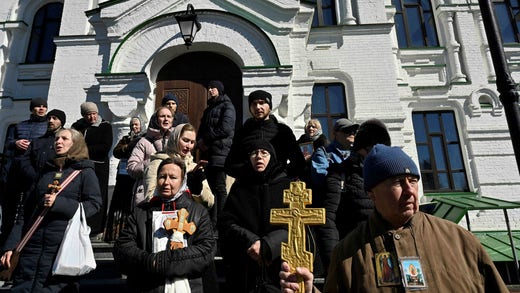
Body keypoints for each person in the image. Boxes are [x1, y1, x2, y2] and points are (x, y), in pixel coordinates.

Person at [280, 144, 509, 293]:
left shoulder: (460, 241)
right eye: (398, 182)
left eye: (413, 181)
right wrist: (308, 290)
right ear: (372, 193)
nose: (410, 190)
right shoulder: (349, 253)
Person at [0, 128, 102, 292]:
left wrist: (60, 204)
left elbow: (94, 204)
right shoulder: (45, 171)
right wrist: (11, 246)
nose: (58, 142)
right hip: (32, 246)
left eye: (64, 139)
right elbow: (25, 211)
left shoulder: (85, 172)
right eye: (56, 139)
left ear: (75, 144)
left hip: (62, 247)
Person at [113, 157, 215, 293]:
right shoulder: (141, 211)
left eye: (173, 177)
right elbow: (122, 248)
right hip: (147, 286)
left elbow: (206, 251)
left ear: (182, 181)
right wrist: (148, 261)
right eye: (162, 177)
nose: (166, 182)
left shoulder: (198, 212)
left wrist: (165, 262)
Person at [218, 139, 290, 293]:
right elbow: (226, 222)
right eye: (254, 153)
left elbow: (296, 224)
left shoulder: (286, 185)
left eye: (264, 153)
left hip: (279, 267)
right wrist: (252, 240)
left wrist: (268, 245)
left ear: (272, 157)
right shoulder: (240, 187)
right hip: (246, 269)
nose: (259, 156)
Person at [225, 90, 306, 181]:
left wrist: (282, 175)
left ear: (270, 107)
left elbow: (298, 162)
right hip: (249, 187)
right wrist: (247, 173)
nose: (258, 107)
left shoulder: (283, 132)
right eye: (254, 104)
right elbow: (230, 164)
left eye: (261, 103)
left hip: (276, 186)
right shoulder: (242, 133)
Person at [1, 98, 48, 246]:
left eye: (43, 106)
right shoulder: (20, 126)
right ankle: (5, 236)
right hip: (15, 171)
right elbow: (7, 143)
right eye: (37, 106)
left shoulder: (47, 126)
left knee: (29, 203)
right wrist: (16, 143)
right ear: (31, 109)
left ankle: (26, 237)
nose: (41, 109)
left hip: (34, 171)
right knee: (10, 204)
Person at [144, 123, 213, 208]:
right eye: (185, 140)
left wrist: (198, 189)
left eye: (192, 142)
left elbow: (209, 202)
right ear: (175, 138)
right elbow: (149, 198)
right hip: (164, 215)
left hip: (190, 217)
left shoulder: (194, 167)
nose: (189, 146)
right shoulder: (157, 163)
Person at [196, 80, 236, 228]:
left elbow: (226, 129)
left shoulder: (227, 106)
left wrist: (206, 139)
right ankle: (212, 223)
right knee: (211, 189)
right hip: (209, 154)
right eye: (209, 87)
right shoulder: (209, 109)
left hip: (221, 152)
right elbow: (202, 129)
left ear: (219, 90)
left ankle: (221, 222)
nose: (210, 90)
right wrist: (199, 141)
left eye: (213, 88)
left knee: (220, 188)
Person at [71, 101, 113, 238]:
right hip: (80, 166)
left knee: (97, 195)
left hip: (98, 167)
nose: (92, 117)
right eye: (88, 115)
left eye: (94, 114)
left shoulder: (105, 126)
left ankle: (96, 228)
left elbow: (105, 147)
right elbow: (72, 144)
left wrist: (83, 150)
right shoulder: (78, 127)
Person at [104, 117, 145, 242]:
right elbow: (117, 152)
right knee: (119, 205)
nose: (134, 127)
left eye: (136, 125)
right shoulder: (126, 139)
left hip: (134, 177)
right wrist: (127, 147)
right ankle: (116, 233)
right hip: (122, 175)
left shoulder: (143, 138)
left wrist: (129, 148)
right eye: (132, 125)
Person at [127, 107, 173, 206]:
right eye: (162, 116)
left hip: (171, 195)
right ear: (156, 119)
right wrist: (153, 163)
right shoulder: (144, 142)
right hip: (146, 196)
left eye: (169, 116)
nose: (166, 119)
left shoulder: (176, 141)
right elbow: (131, 168)